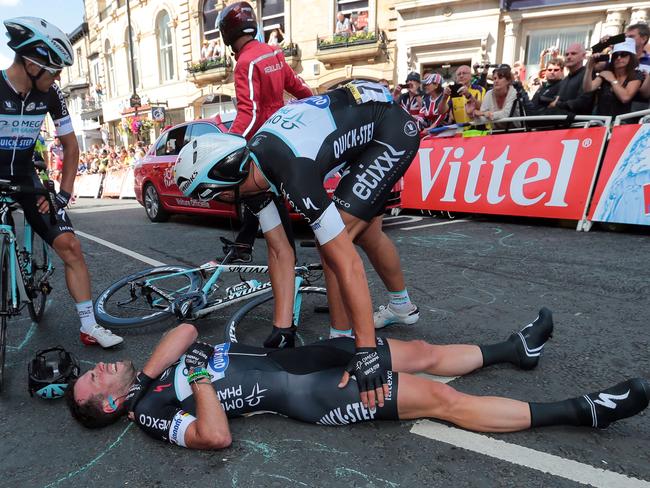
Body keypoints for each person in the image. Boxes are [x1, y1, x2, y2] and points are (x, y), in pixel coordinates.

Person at [66, 310, 650, 450]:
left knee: (418, 351)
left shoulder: (144, 383)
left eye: (92, 371)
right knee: (442, 401)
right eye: (94, 381)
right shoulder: (151, 416)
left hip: (305, 355)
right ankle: (581, 410)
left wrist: (148, 374)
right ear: (111, 406)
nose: (97, 368)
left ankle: (513, 349)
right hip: (309, 393)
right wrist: (195, 383)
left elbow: (189, 330)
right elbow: (215, 437)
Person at [174, 81, 424, 407]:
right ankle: (401, 306)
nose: (217, 203)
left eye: (209, 197)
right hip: (362, 125)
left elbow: (347, 261)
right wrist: (283, 328)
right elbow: (279, 250)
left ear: (221, 187)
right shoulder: (252, 175)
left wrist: (367, 351)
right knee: (366, 232)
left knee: (335, 243)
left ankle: (344, 339)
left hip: (389, 132)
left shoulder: (291, 171)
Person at [1, 17, 123, 347]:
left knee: (71, 246)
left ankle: (89, 325)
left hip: (27, 177)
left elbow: (71, 146)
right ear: (30, 63)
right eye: (54, 69)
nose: (59, 77)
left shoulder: (51, 94)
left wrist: (62, 196)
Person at [218, 2, 312, 265]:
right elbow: (299, 88)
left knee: (263, 195)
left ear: (228, 33)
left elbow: (249, 112)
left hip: (262, 143)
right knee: (259, 195)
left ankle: (288, 264)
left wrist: (230, 144)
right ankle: (243, 245)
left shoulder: (245, 63)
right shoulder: (273, 53)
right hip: (282, 136)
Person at [583, 38, 642, 119]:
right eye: (615, 55)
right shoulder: (606, 72)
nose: (619, 58)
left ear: (631, 57)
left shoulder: (636, 74)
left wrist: (612, 80)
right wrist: (589, 68)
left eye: (623, 54)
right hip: (600, 123)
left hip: (622, 125)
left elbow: (625, 98)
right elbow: (588, 88)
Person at [470, 65, 521, 129]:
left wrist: (486, 114)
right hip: (496, 132)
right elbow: (482, 120)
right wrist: (474, 115)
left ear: (508, 81)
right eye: (494, 78)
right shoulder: (489, 94)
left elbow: (506, 114)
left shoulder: (513, 92)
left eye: (500, 78)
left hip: (516, 131)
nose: (496, 81)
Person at [547, 43, 593, 115]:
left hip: (579, 123)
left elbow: (584, 102)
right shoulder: (564, 81)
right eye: (567, 54)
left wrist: (558, 104)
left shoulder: (588, 75)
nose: (569, 57)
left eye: (573, 53)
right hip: (560, 122)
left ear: (583, 56)